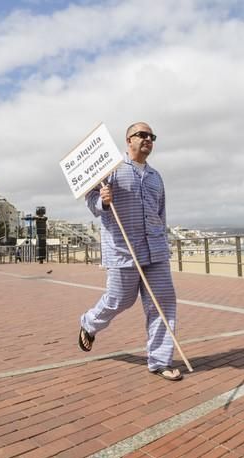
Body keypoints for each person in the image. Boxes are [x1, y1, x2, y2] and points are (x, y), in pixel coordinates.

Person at [78, 122, 182, 381]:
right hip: (123, 250)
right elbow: (91, 201)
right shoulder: (110, 170)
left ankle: (160, 361)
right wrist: (102, 199)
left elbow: (161, 213)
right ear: (128, 140)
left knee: (163, 303)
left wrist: (163, 241)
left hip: (155, 250)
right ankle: (89, 324)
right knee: (120, 300)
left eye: (151, 136)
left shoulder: (156, 177)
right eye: (142, 135)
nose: (147, 139)